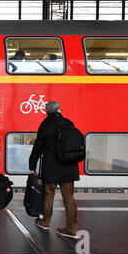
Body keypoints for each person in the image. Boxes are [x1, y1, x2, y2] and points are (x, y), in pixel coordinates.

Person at [28, 101, 80, 239]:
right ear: (59, 109)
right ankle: (72, 229)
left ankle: (45, 221)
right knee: (69, 198)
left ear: (47, 111)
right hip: (69, 167)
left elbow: (37, 148)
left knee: (48, 194)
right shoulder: (69, 123)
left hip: (51, 168)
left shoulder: (45, 125)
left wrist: (32, 166)